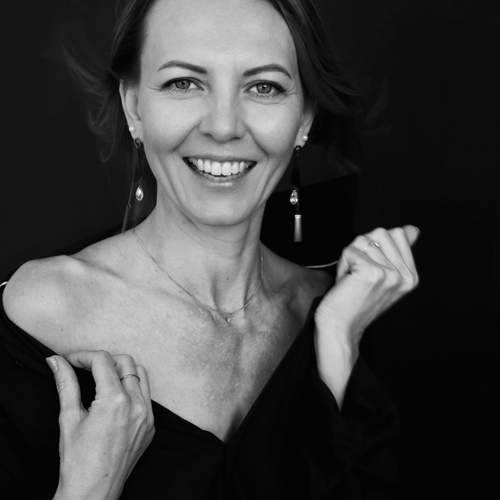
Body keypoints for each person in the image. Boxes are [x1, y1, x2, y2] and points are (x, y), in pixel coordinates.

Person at [0, 0, 420, 498]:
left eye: (263, 87)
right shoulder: (42, 309)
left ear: (304, 119)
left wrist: (336, 348)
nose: (223, 126)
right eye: (184, 83)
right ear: (134, 107)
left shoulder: (343, 314)